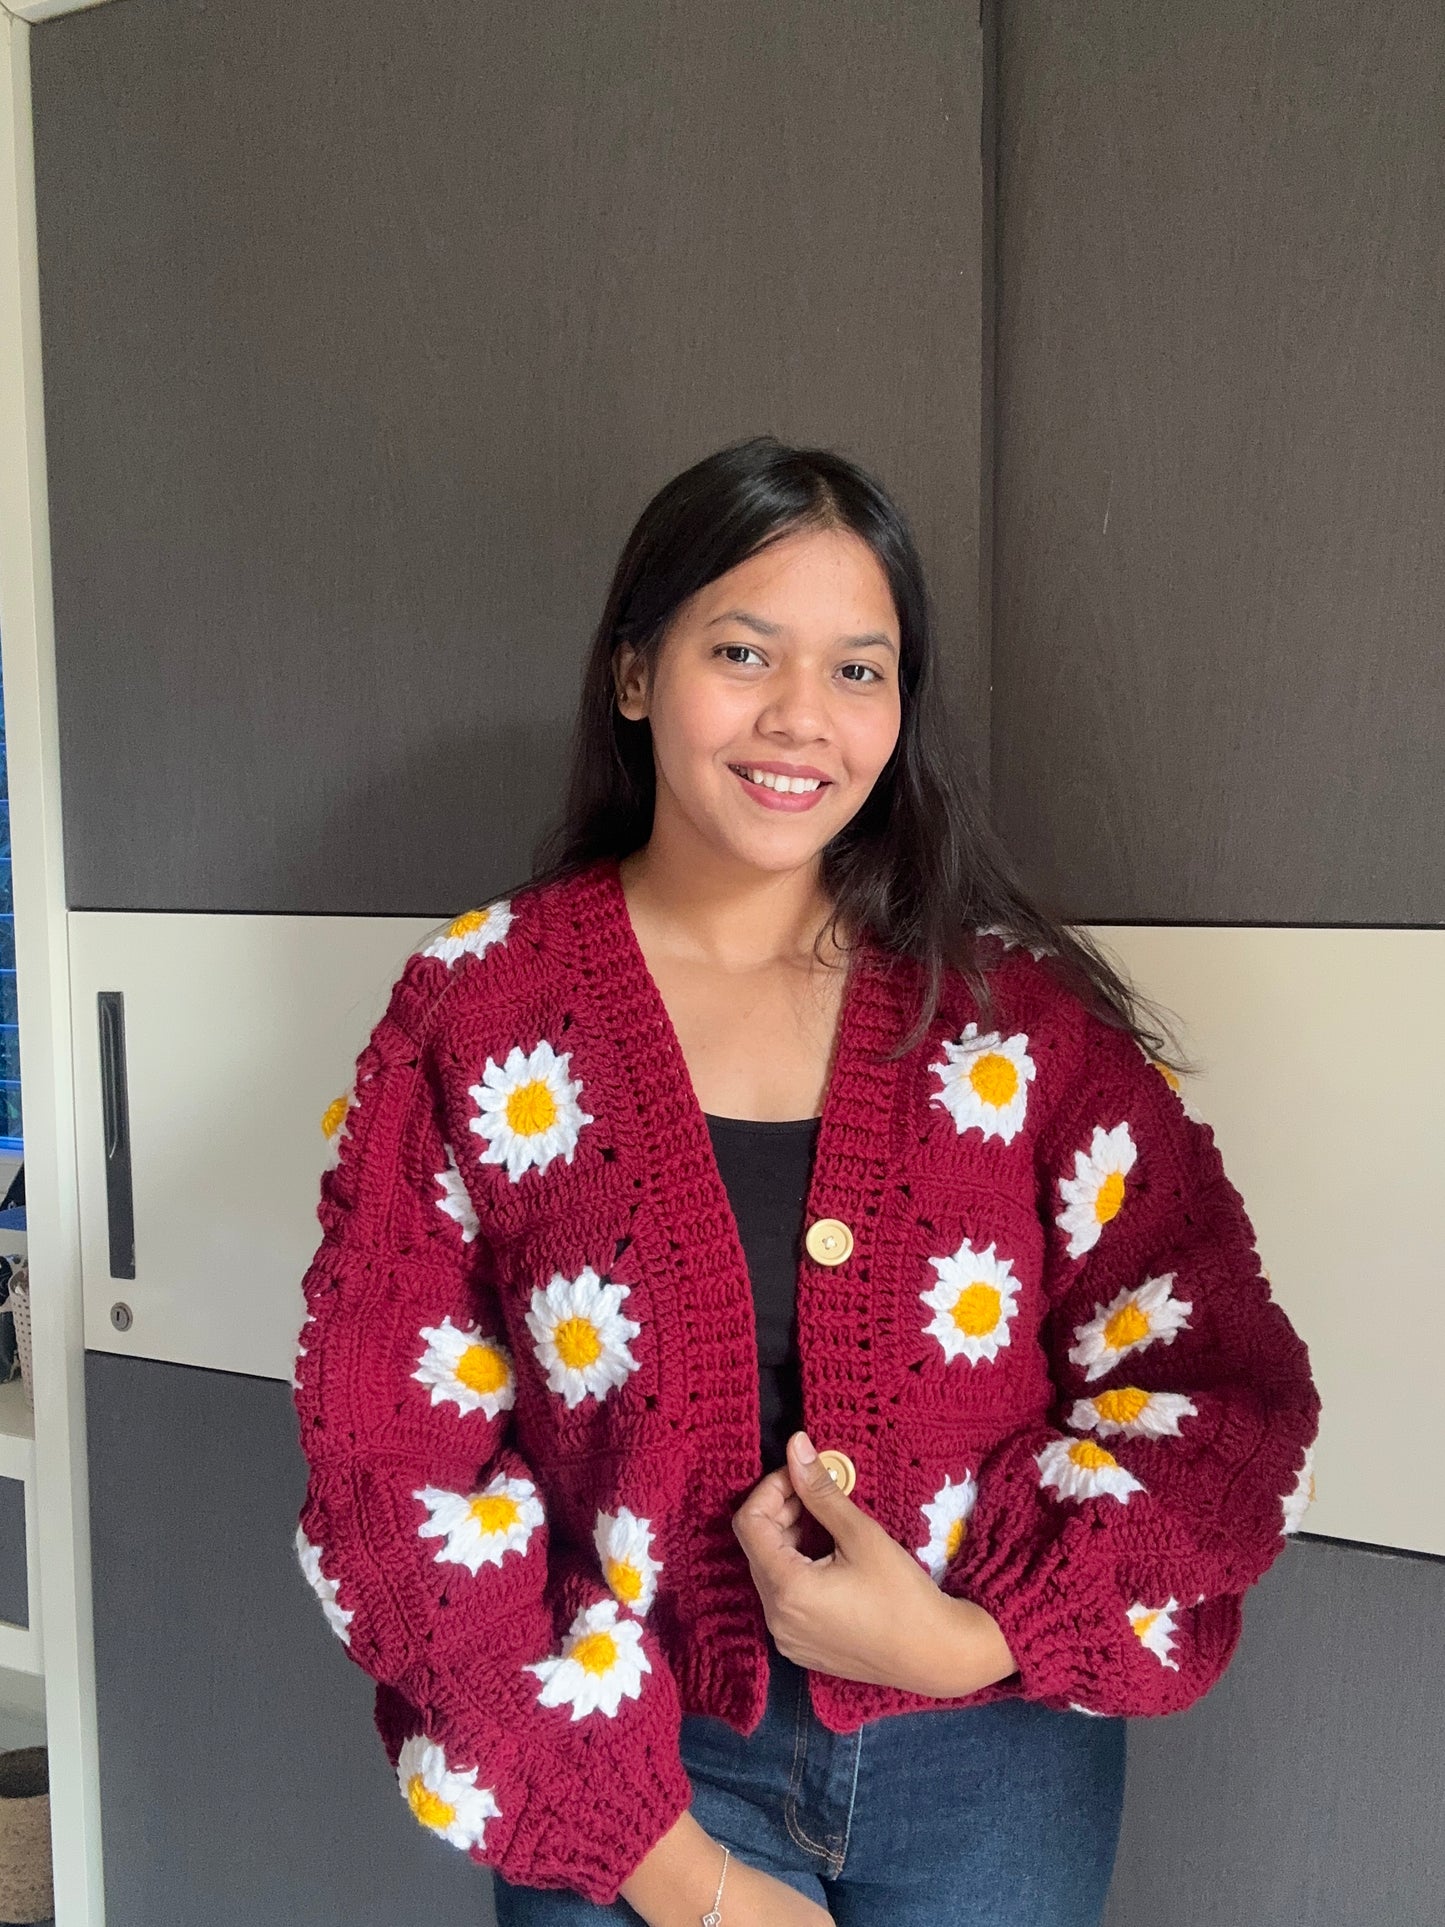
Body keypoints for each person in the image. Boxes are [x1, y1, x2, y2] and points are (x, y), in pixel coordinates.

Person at [291, 436, 1322, 1926]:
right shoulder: (484, 1013)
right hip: (629, 1769)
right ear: (633, 673)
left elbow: (1219, 1394)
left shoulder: (1013, 1025)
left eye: (857, 670)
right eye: (742, 651)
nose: (801, 717)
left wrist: (975, 1638)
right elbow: (391, 1472)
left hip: (992, 1765)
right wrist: (679, 1875)